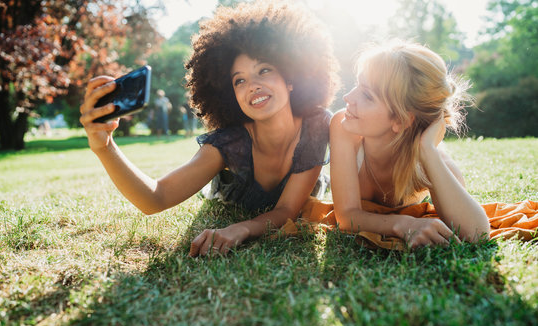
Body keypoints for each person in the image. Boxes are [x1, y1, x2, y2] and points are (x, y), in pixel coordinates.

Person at [79, 1, 339, 256]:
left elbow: (286, 211)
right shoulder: (229, 144)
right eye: (239, 80)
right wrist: (104, 147)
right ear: (230, 94)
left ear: (290, 78)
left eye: (264, 70)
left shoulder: (316, 126)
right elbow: (155, 198)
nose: (253, 85)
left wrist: (243, 228)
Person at [330, 40, 489, 248]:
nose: (348, 97)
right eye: (357, 85)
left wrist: (428, 151)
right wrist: (403, 224)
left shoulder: (430, 159)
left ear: (401, 120)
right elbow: (346, 217)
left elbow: (478, 233)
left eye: (367, 95)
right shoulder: (344, 127)